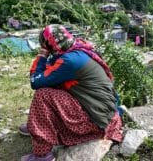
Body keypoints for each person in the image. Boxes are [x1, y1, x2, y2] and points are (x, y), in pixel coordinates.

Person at [19, 24, 123, 161]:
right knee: (53, 83)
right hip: (100, 109)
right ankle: (38, 125)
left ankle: (43, 154)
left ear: (51, 45)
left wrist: (42, 55)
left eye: (45, 45)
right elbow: (50, 74)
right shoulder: (76, 48)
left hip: (96, 120)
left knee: (43, 95)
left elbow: (35, 82)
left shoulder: (70, 60)